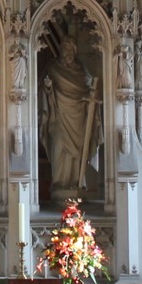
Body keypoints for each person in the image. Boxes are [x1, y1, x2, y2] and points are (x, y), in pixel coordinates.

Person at [41, 35, 98, 193]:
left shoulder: (81, 70)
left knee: (78, 153)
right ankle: (59, 183)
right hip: (59, 115)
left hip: (78, 118)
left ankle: (76, 183)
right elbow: (45, 89)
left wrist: (91, 97)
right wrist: (48, 87)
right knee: (59, 148)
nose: (67, 53)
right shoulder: (53, 67)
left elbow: (88, 87)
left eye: (70, 49)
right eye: (64, 49)